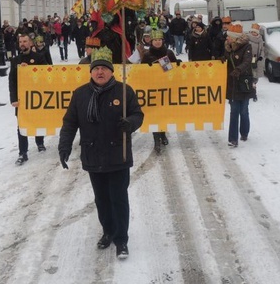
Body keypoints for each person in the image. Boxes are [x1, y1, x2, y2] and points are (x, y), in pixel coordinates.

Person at [58, 47, 144, 260]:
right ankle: (108, 231)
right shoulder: (80, 94)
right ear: (91, 72)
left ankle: (121, 239)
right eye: (96, 69)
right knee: (102, 199)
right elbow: (70, 123)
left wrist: (130, 124)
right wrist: (64, 147)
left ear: (112, 71)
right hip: (92, 153)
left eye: (104, 69)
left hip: (118, 154)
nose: (100, 72)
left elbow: (138, 114)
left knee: (118, 198)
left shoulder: (125, 91)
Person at [9, 33, 49, 165]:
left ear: (30, 43)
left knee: (38, 121)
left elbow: (46, 75)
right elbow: (12, 81)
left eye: (25, 41)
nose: (22, 44)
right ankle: (23, 152)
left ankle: (40, 142)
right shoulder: (15, 60)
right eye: (20, 42)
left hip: (36, 97)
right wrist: (13, 98)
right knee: (22, 125)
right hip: (21, 100)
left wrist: (31, 70)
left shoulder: (39, 57)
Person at [141, 29, 177, 153]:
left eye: (159, 40)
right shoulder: (147, 55)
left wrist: (177, 64)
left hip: (166, 88)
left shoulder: (169, 53)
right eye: (155, 40)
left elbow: (173, 71)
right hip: (152, 89)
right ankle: (156, 139)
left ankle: (163, 134)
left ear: (163, 41)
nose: (157, 42)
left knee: (164, 113)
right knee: (154, 115)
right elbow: (140, 72)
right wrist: (146, 69)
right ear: (151, 42)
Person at [224, 23, 254, 146]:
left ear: (235, 38)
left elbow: (247, 61)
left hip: (244, 82)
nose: (227, 39)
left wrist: (239, 70)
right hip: (232, 83)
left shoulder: (247, 46)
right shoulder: (227, 47)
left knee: (244, 111)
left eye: (229, 37)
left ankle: (244, 132)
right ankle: (233, 139)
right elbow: (226, 60)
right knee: (234, 111)